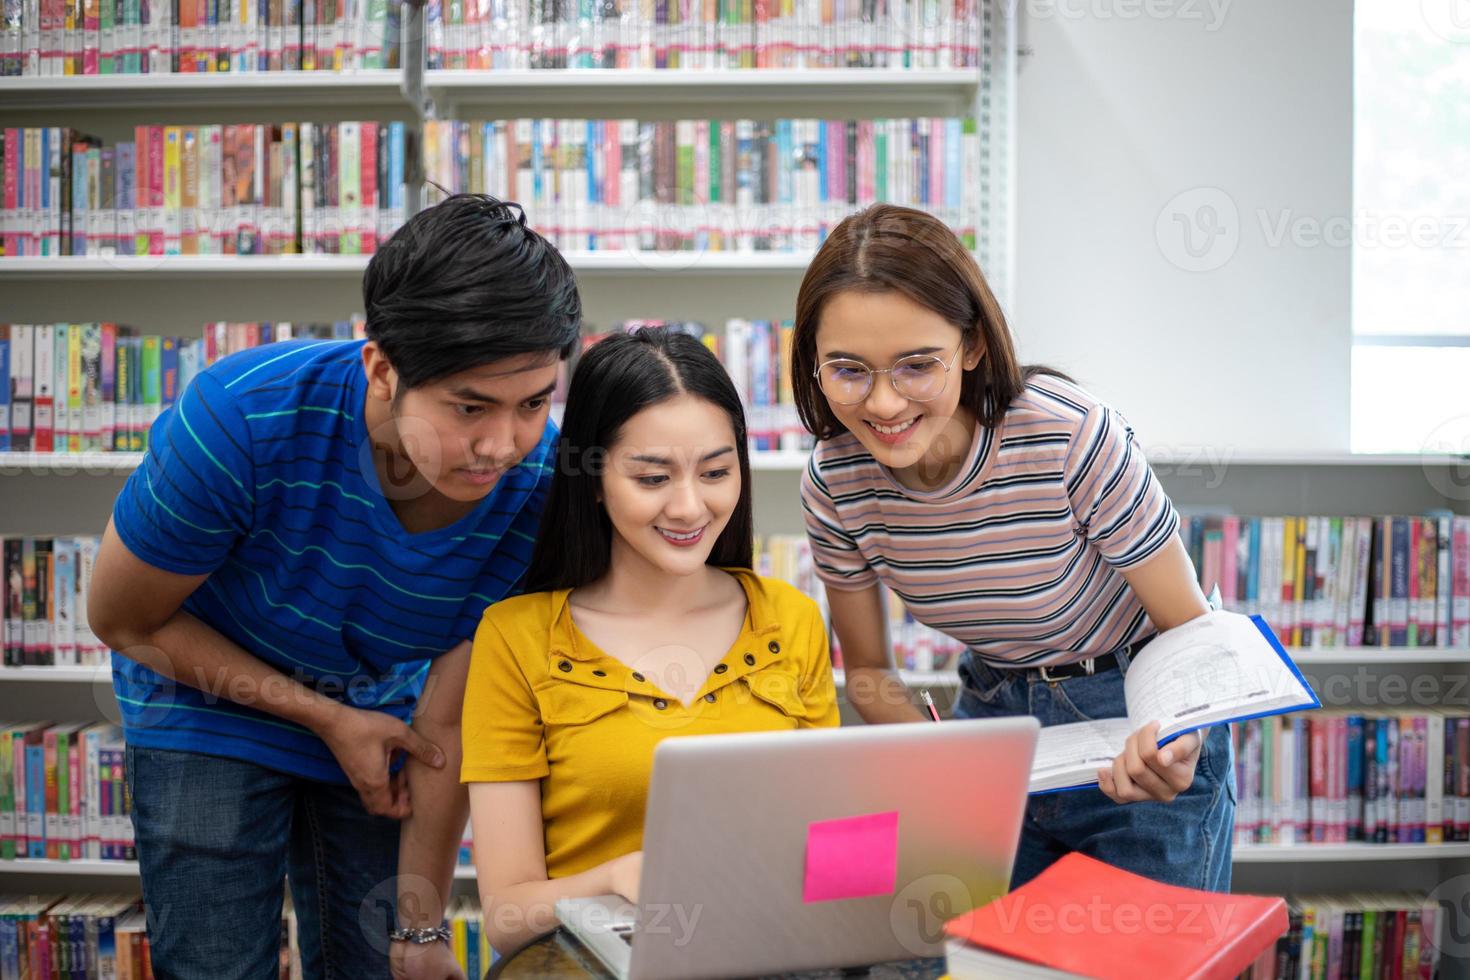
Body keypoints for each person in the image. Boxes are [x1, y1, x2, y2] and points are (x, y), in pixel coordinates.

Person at [88, 194, 580, 980]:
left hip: (382, 716)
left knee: (373, 960)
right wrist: (322, 717)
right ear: (381, 367)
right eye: (469, 407)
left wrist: (419, 934)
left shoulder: (543, 485)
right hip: (204, 699)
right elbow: (122, 618)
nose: (502, 445)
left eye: (532, 404)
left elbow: (447, 721)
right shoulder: (242, 418)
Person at [792, 203, 1234, 892]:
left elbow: (1189, 628)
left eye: (916, 366)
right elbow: (871, 672)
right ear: (812, 365)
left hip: (1137, 713)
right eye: (848, 370)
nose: (882, 404)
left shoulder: (1069, 436)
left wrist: (1181, 740)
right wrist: (936, 761)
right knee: (975, 959)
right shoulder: (836, 480)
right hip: (994, 727)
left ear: (970, 347)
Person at [458, 328, 840, 955]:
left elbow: (823, 856)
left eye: (716, 472)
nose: (690, 507)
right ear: (594, 477)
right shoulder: (515, 638)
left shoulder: (791, 622)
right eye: (653, 477)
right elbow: (505, 917)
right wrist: (613, 879)